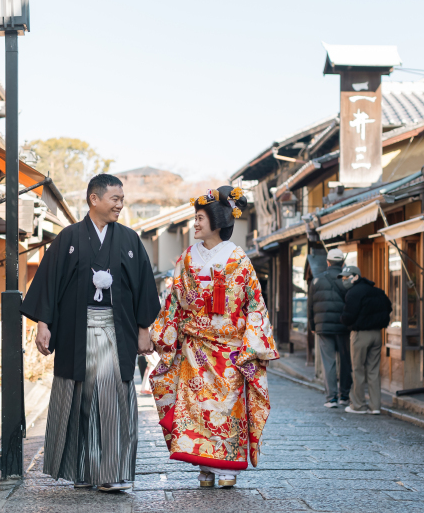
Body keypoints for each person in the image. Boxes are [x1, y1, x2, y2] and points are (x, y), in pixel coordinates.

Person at [20, 173, 161, 492]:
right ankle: (80, 469)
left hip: (116, 331)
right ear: (94, 199)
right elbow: (49, 283)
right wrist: (43, 323)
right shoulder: (68, 238)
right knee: (78, 400)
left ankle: (109, 473)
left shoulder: (128, 240)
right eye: (115, 199)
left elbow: (143, 287)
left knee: (111, 400)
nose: (120, 205)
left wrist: (143, 330)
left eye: (122, 200)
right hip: (75, 331)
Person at [150, 187, 279, 489]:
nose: (194, 224)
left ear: (217, 222)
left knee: (228, 406)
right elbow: (173, 302)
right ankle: (204, 465)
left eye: (199, 219)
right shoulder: (186, 259)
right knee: (196, 406)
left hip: (230, 349)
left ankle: (227, 467)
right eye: (194, 219)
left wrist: (252, 344)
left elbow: (255, 304)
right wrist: (163, 334)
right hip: (195, 348)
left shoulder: (238, 259)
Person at [338, 266, 392, 415]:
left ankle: (358, 405)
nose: (344, 281)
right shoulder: (377, 291)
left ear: (355, 277)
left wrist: (343, 320)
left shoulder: (353, 293)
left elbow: (348, 315)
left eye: (346, 277)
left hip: (360, 334)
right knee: (374, 371)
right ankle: (375, 406)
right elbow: (388, 307)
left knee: (358, 370)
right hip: (377, 334)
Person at [309, 248, 352, 409]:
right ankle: (344, 396)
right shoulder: (347, 280)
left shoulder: (317, 280)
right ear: (342, 263)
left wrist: (313, 326)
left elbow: (310, 306)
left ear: (327, 262)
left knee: (329, 362)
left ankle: (331, 397)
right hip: (344, 326)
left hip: (323, 327)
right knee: (345, 361)